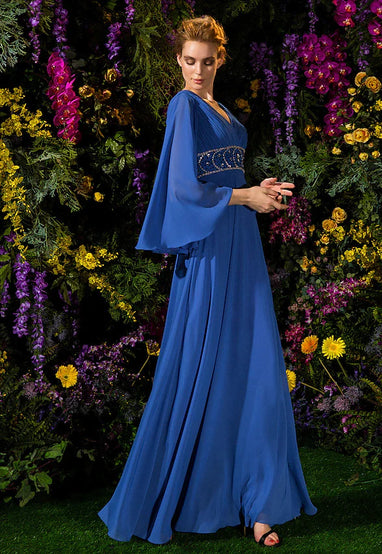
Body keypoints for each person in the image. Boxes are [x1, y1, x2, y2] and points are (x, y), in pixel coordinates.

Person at [98, 15, 317, 548]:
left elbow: (222, 179)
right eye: (190, 61)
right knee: (202, 364)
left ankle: (259, 503)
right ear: (179, 60)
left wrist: (257, 189)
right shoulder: (183, 105)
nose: (198, 71)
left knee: (255, 367)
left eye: (208, 61)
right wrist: (244, 197)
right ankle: (203, 497)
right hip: (210, 249)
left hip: (241, 245)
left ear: (221, 60)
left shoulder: (222, 110)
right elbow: (182, 189)